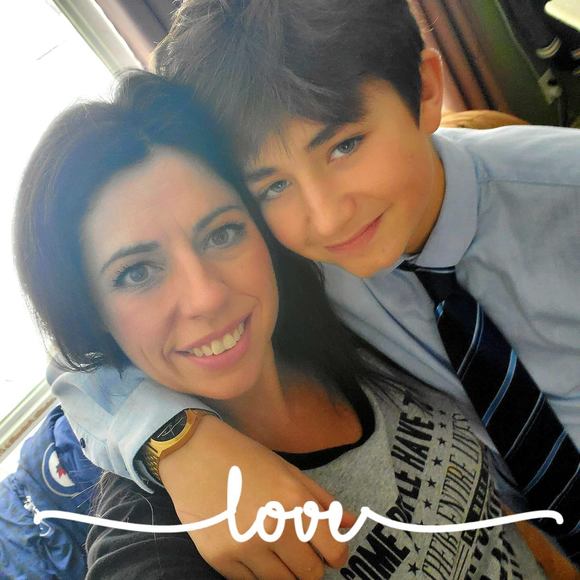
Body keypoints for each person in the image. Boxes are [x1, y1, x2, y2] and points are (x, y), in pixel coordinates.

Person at [47, 0, 580, 572]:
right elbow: (80, 359)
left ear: (426, 89)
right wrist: (180, 443)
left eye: (344, 146)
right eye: (271, 186)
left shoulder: (564, 193)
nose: (326, 219)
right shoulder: (290, 262)